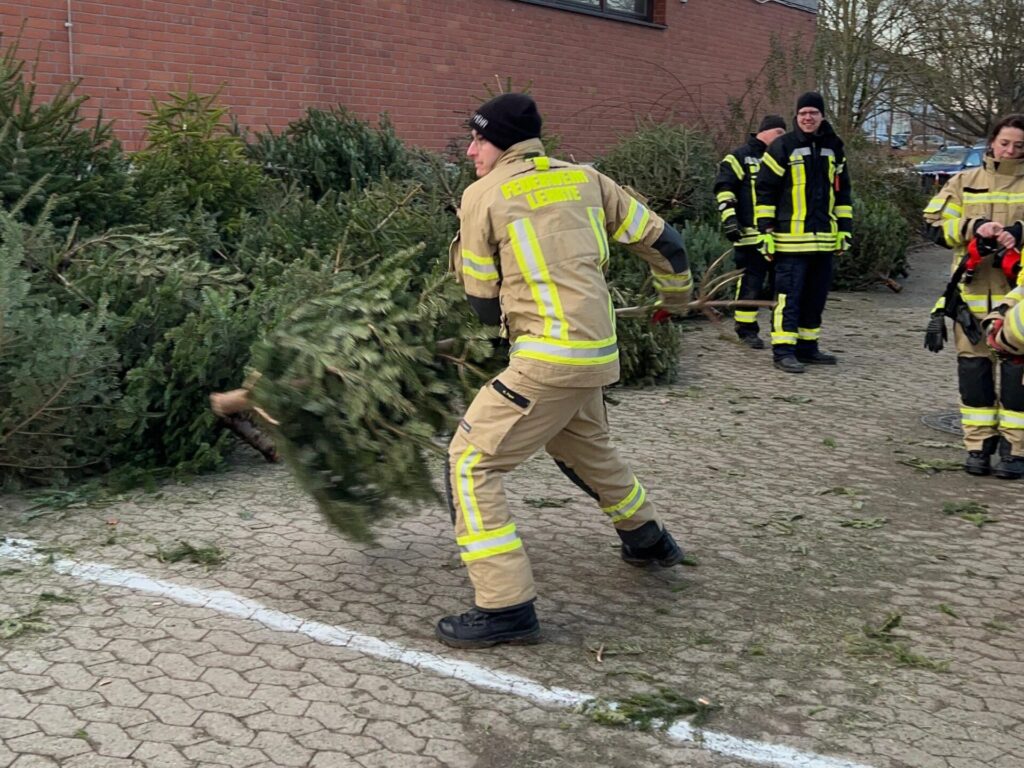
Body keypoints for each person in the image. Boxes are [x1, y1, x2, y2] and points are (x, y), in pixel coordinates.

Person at [439, 93, 693, 648]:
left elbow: (482, 298)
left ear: (500, 141)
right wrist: (673, 302)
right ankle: (648, 540)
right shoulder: (586, 180)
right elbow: (667, 243)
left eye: (477, 139)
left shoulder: (483, 195)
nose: (470, 149)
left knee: (469, 464)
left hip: (545, 359)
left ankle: (505, 607)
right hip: (596, 353)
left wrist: (501, 334)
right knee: (584, 450)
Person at [923, 113, 1024, 479]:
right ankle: (978, 447)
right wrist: (972, 228)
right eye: (1005, 142)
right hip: (970, 300)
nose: (1010, 150)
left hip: (1017, 304)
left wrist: (1020, 231)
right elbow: (932, 226)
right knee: (974, 375)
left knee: (1017, 380)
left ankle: (1015, 451)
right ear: (992, 142)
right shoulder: (963, 181)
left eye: (1018, 145)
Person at [754, 92, 852, 373]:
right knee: (788, 298)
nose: (808, 118)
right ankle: (783, 351)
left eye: (813, 113)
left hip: (824, 243)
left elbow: (843, 193)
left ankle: (808, 348)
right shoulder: (783, 147)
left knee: (815, 298)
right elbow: (765, 191)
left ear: (822, 116)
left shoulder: (834, 148)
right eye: (802, 113)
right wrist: (766, 231)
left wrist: (844, 230)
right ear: (796, 117)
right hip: (789, 242)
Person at [713, 115, 788, 348]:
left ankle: (783, 333)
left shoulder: (783, 158)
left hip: (780, 237)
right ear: (765, 132)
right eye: (779, 134)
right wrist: (730, 219)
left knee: (782, 287)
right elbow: (724, 188)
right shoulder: (739, 157)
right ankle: (746, 330)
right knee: (750, 284)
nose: (782, 140)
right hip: (749, 236)